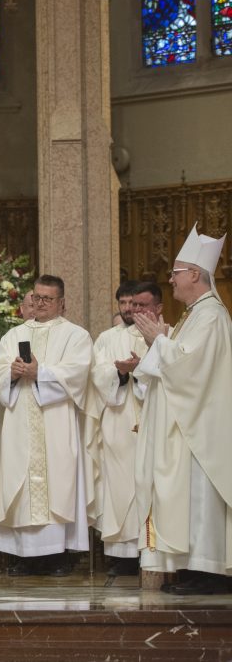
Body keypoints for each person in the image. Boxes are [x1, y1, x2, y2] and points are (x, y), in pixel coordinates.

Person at [133, 224, 232, 594]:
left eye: (175, 273)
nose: (170, 280)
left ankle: (208, 573)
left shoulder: (211, 316)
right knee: (185, 497)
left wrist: (159, 341)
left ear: (194, 273)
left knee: (199, 497)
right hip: (185, 425)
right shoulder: (196, 315)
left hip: (199, 430)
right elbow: (174, 364)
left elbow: (192, 370)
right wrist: (160, 344)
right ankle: (192, 568)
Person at [0, 274, 92, 576]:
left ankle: (59, 556)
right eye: (36, 297)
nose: (40, 303)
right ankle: (24, 556)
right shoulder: (13, 335)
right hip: (19, 419)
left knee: (58, 483)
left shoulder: (76, 335)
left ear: (62, 302)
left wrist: (40, 372)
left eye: (48, 299)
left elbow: (78, 373)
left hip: (56, 419)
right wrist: (12, 371)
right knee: (19, 483)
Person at [85, 280, 158, 575]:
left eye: (136, 304)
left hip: (153, 420)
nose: (129, 309)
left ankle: (152, 552)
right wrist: (120, 372)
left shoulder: (163, 336)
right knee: (118, 486)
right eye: (125, 304)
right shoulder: (106, 338)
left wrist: (140, 370)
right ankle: (122, 557)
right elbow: (96, 375)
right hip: (117, 422)